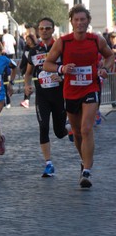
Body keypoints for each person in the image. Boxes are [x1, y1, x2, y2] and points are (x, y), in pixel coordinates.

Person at [43, 5, 114, 188]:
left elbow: (109, 56)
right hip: (70, 91)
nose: (80, 22)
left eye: (83, 19)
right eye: (76, 19)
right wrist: (61, 68)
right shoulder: (63, 42)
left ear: (88, 21)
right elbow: (47, 64)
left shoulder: (96, 40)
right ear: (72, 22)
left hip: (91, 88)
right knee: (76, 132)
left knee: (86, 128)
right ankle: (84, 161)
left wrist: (104, 69)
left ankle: (87, 172)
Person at [24, 17, 72, 178]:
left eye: (47, 28)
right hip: (42, 96)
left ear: (53, 30)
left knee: (59, 132)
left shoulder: (59, 47)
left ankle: (70, 129)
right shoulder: (34, 50)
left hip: (59, 95)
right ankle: (48, 163)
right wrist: (26, 85)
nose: (44, 31)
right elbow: (28, 73)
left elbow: (70, 68)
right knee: (43, 126)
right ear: (38, 30)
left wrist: (63, 77)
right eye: (42, 28)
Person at [19, 33, 37, 109]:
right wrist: (21, 68)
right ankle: (26, 100)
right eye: (27, 40)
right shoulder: (26, 49)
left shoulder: (37, 49)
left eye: (29, 40)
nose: (28, 42)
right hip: (27, 70)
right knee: (27, 85)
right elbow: (24, 60)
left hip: (36, 70)